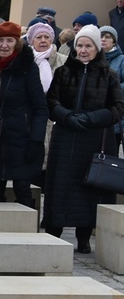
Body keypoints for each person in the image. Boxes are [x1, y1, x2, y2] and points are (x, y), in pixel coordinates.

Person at [42, 25, 124, 253]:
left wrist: (91, 118)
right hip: (65, 137)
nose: (83, 50)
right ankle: (53, 232)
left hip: (94, 139)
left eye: (88, 45)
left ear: (97, 48)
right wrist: (67, 116)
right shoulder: (63, 72)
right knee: (59, 186)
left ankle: (84, 236)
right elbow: (51, 102)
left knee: (89, 188)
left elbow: (117, 109)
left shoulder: (110, 76)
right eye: (79, 45)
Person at [0, 22, 48, 208]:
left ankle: (28, 235)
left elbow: (41, 107)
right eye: (0, 41)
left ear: (17, 43)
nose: (5, 45)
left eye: (10, 40)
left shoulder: (27, 68)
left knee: (23, 188)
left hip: (21, 139)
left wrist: (36, 139)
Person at [27, 21, 68, 187]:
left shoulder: (63, 61)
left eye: (47, 37)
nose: (43, 40)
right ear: (31, 41)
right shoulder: (27, 60)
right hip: (32, 112)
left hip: (55, 112)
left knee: (53, 152)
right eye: (39, 37)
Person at [100, 26, 124, 154]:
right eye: (101, 36)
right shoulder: (93, 58)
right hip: (95, 112)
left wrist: (110, 88)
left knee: (110, 155)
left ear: (114, 41)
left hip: (114, 113)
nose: (103, 39)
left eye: (107, 37)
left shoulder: (121, 60)